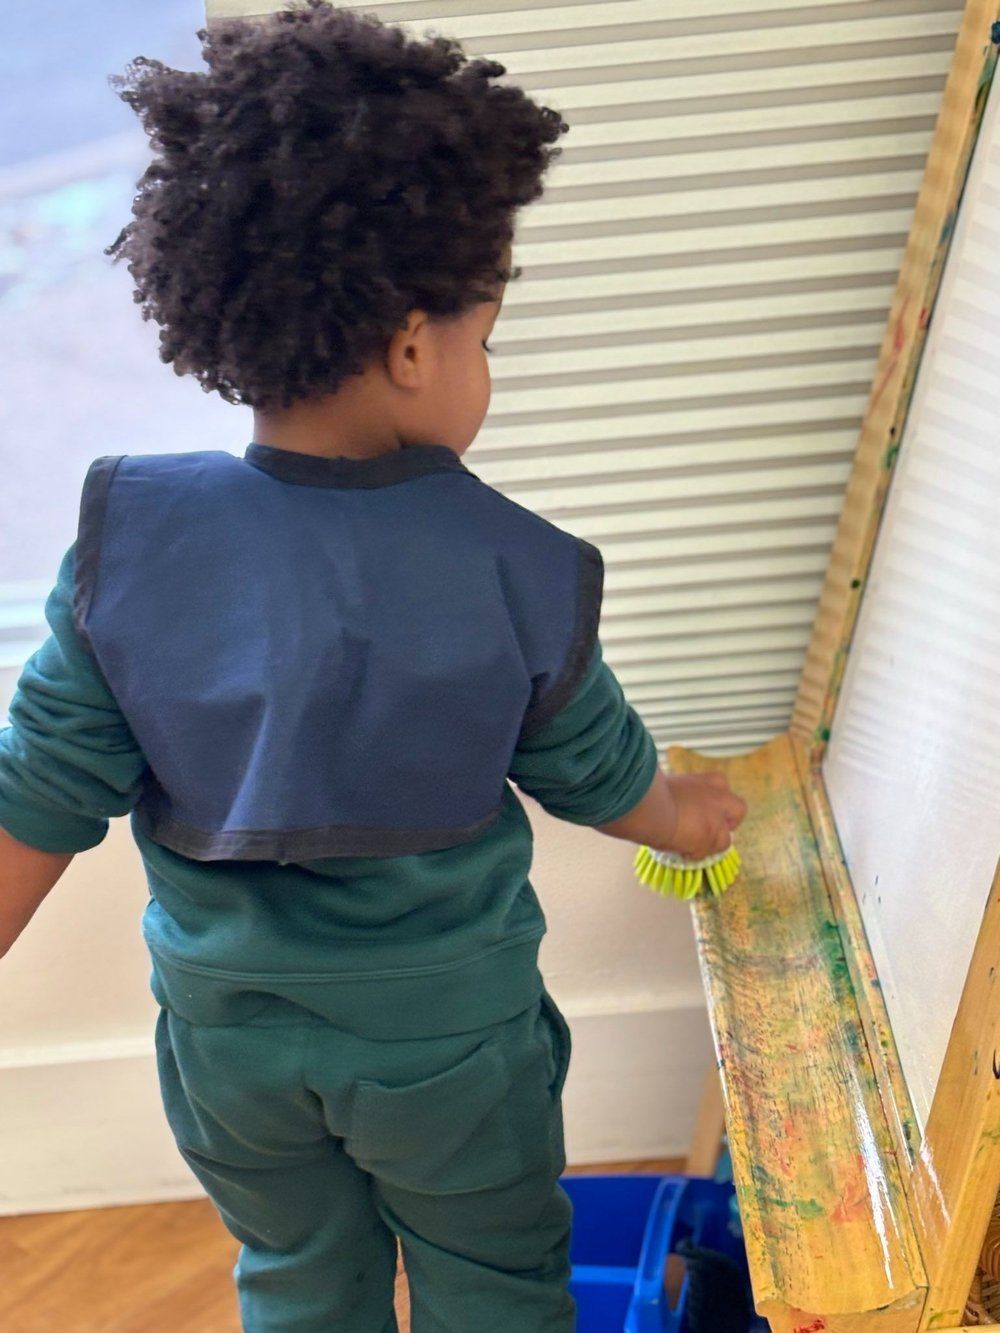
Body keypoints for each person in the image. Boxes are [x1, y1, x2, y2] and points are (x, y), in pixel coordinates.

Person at [0, 4, 747, 1329]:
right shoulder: (518, 565)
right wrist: (686, 820)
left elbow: (36, 790)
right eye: (485, 337)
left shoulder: (131, 539)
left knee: (296, 1271)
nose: (485, 366)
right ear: (413, 347)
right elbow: (599, 771)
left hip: (228, 1050)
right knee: (493, 1276)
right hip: (448, 1048)